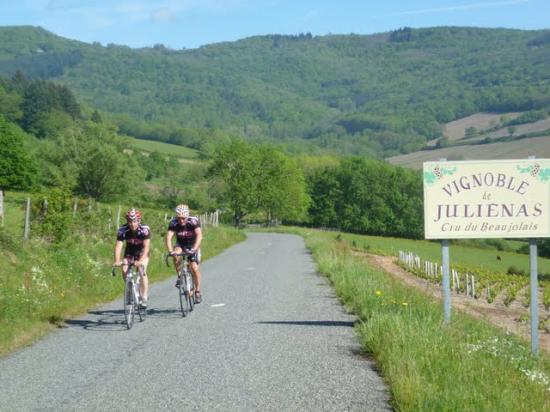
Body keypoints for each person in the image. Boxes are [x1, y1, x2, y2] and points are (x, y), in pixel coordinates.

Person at [113, 208, 151, 308]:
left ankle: (144, 297)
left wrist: (140, 261)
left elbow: (147, 247)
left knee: (142, 271)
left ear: (138, 221)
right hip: (129, 253)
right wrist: (117, 260)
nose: (132, 224)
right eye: (130, 221)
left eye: (134, 221)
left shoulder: (145, 229)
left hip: (142, 253)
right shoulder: (123, 230)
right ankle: (130, 289)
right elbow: (118, 246)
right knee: (124, 269)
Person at [165, 204, 203, 303]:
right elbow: (168, 237)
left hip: (193, 245)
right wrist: (170, 251)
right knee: (175, 254)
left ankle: (197, 291)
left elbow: (199, 236)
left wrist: (194, 249)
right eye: (179, 218)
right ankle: (180, 276)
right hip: (180, 245)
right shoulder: (173, 223)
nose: (181, 221)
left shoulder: (193, 221)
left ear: (187, 216)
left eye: (183, 218)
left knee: (194, 268)